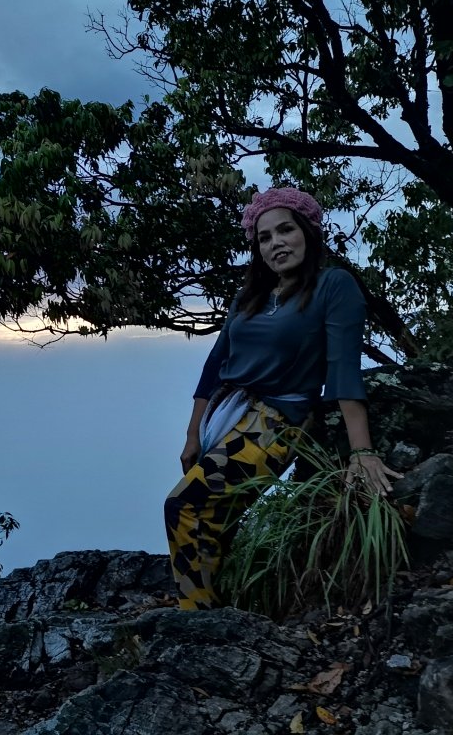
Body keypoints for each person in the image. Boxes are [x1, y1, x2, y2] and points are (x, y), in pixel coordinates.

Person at [164, 187, 401, 610]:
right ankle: (217, 606)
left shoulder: (334, 285)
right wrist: (191, 434)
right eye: (265, 237)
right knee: (216, 521)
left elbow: (343, 369)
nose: (277, 243)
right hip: (225, 415)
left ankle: (195, 618)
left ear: (308, 231)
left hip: (278, 418)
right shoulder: (251, 296)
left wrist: (361, 451)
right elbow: (215, 363)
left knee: (184, 505)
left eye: (286, 230)